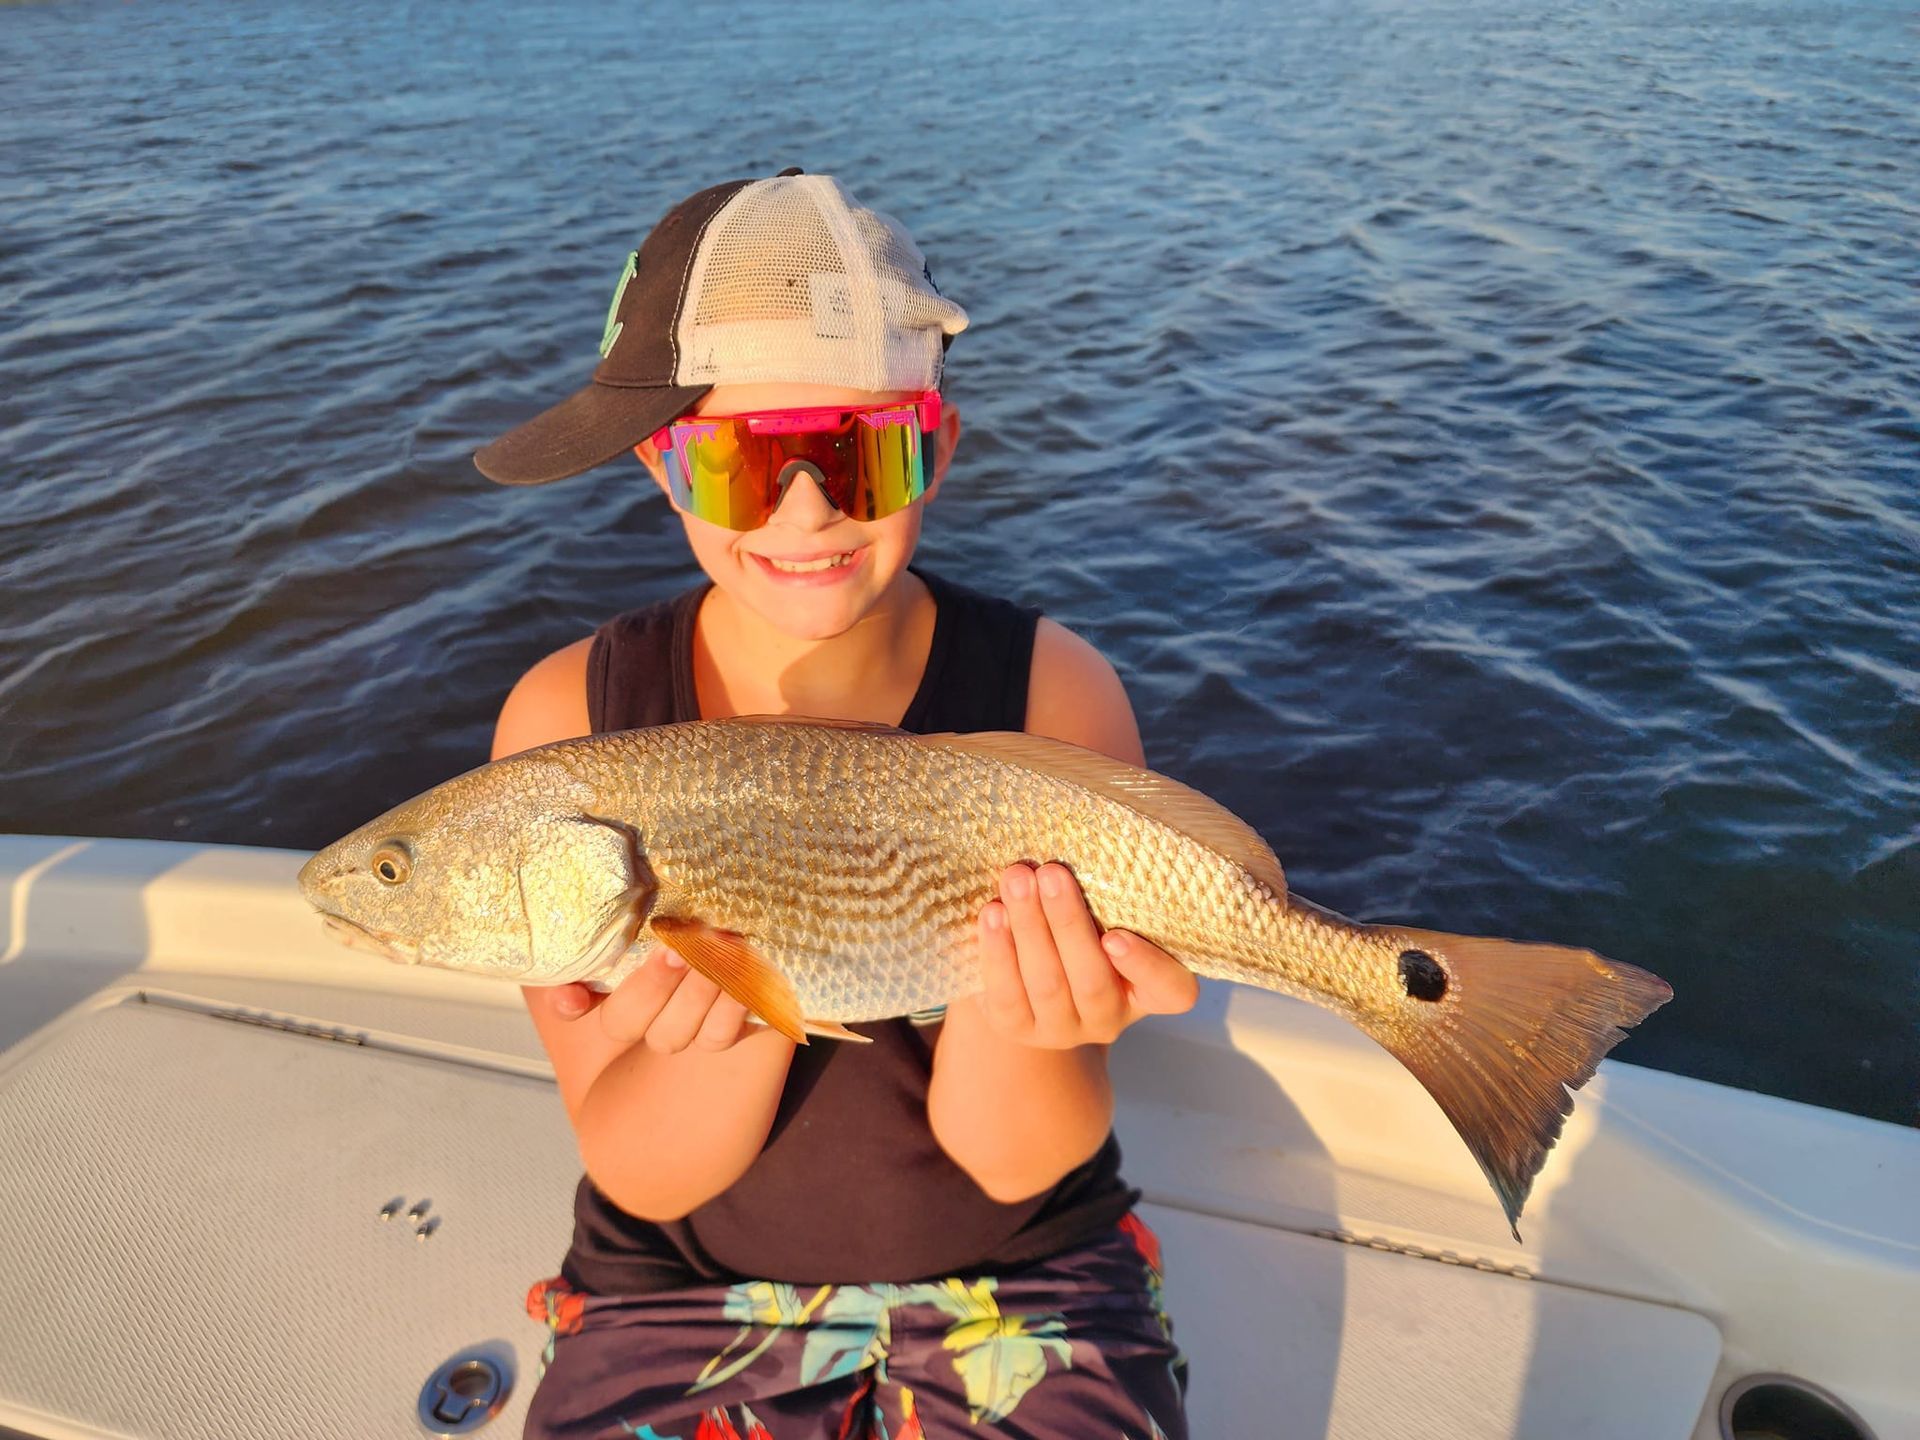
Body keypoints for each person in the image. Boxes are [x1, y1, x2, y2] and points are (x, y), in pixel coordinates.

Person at [479, 168, 1195, 1440]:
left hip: (1023, 1265)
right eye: (737, 466)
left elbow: (1020, 1161)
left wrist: (1036, 1022)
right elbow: (641, 1168)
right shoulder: (562, 729)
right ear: (661, 468)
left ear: (941, 442)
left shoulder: (1054, 694)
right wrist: (743, 978)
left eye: (863, 451)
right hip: (677, 1285)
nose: (806, 511)